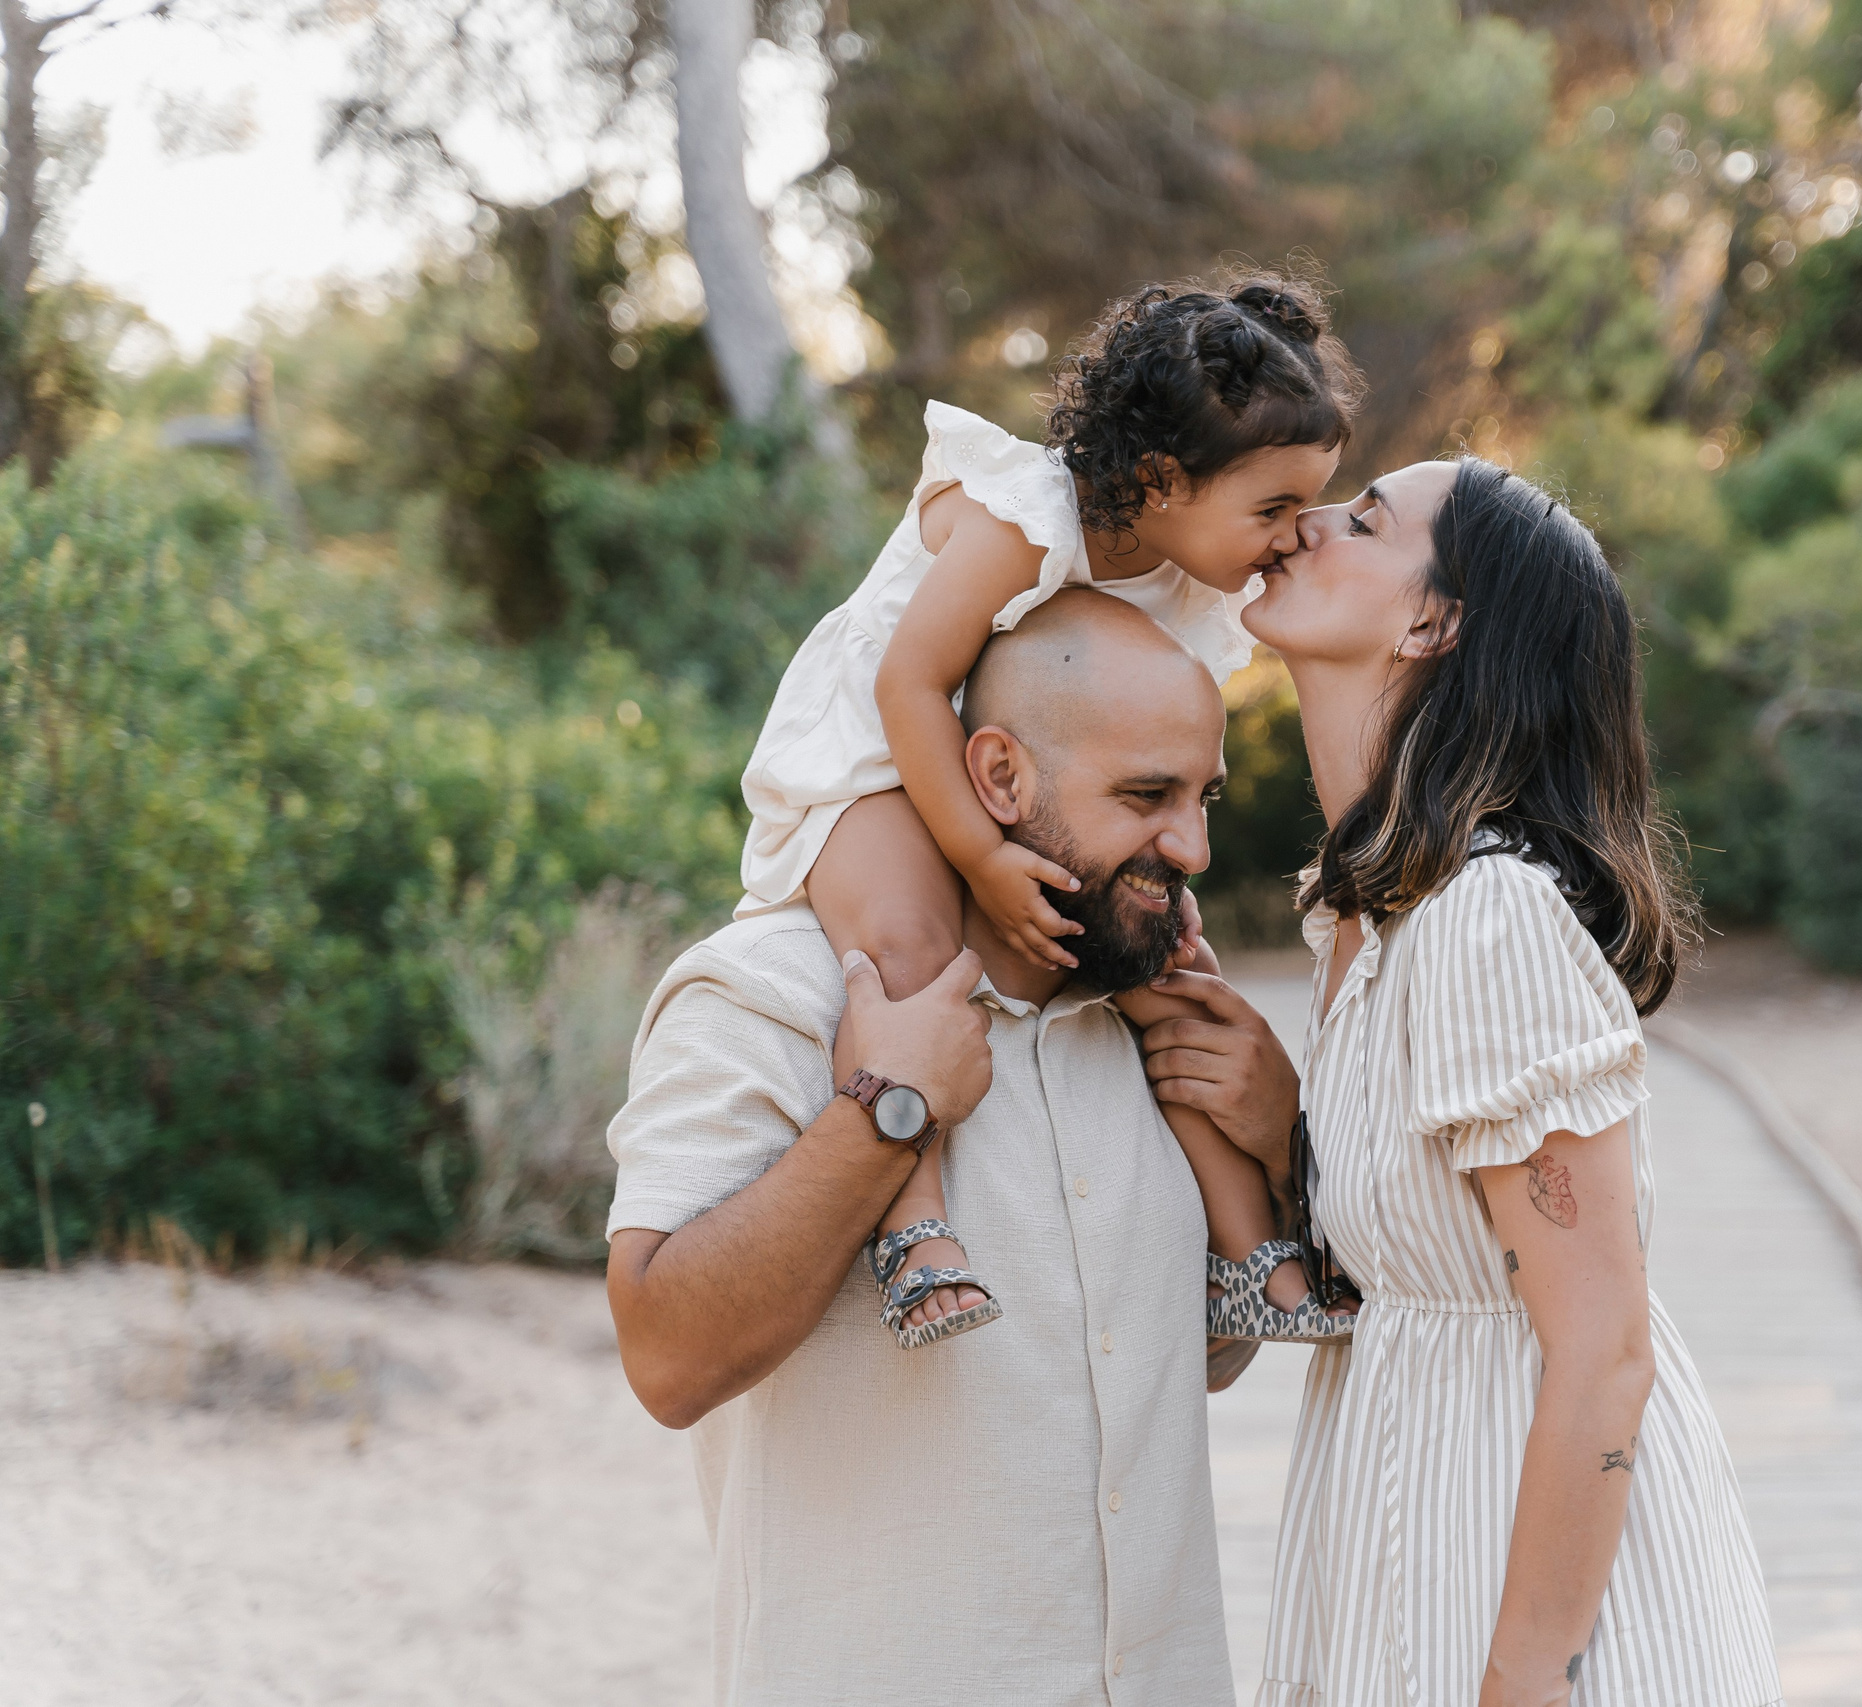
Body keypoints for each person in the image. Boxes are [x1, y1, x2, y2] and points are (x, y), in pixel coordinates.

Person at [604, 592, 1307, 1704]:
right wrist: (886, 1114)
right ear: (999, 776)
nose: (1193, 846)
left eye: (1202, 797)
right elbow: (665, 1358)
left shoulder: (1149, 1022)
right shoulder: (767, 998)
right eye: (1146, 796)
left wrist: (1275, 1151)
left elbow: (1191, 1364)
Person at [1195, 457, 1787, 1706]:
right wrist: (1284, 1123)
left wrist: (1523, 1678)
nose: (1304, 522)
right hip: (1401, 1517)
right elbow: (1411, 1253)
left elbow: (1604, 1347)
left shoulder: (1485, 916)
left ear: (1433, 622)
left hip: (1523, 1571)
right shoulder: (1363, 914)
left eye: (1361, 521)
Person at [736, 270, 1365, 1348]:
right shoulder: (1027, 519)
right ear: (1162, 479)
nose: (1290, 535)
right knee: (907, 950)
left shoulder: (1188, 573)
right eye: (1272, 508)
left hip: (1016, 764)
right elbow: (906, 683)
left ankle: (1249, 1256)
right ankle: (915, 1227)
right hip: (876, 750)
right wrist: (982, 860)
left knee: (1172, 970)